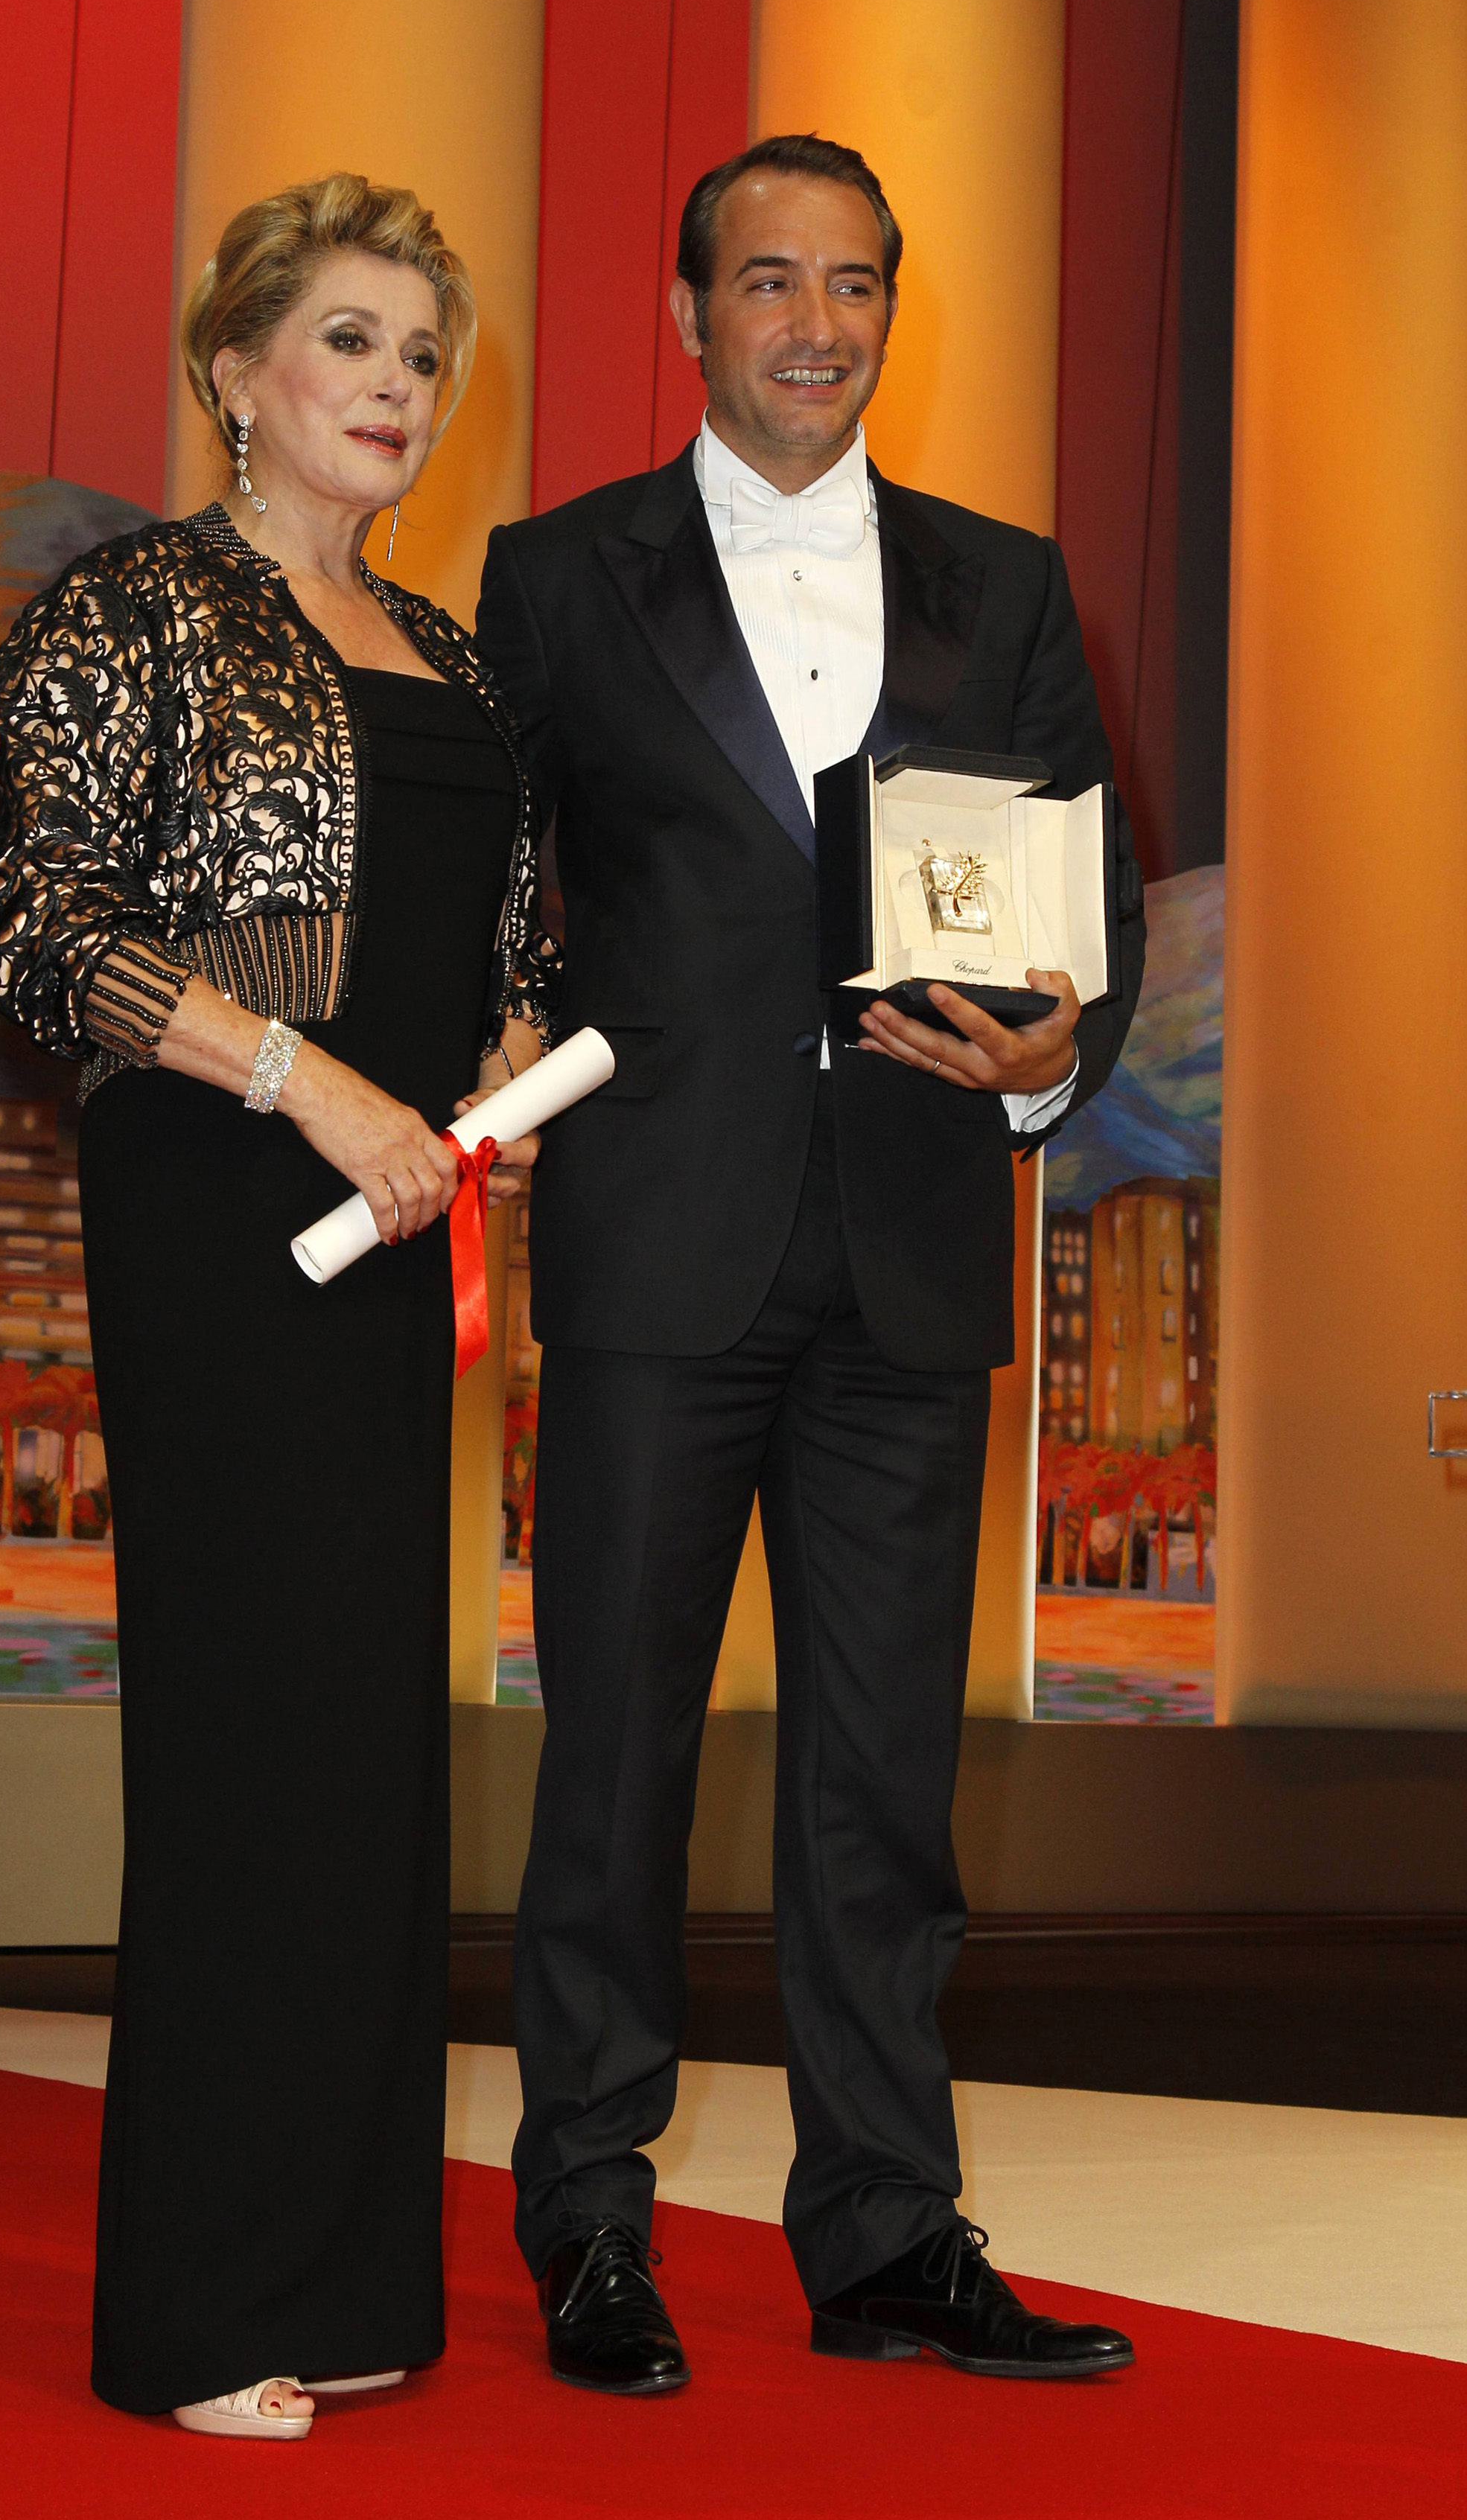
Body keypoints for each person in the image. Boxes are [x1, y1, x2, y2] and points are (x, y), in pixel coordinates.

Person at [475, 133, 1145, 2393]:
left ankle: (885, 2233)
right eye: (768, 280)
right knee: (615, 1769)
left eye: (853, 284)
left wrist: (1051, 1063)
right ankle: (589, 2218)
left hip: (912, 1250)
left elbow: (1089, 907)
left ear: (888, 312)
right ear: (691, 314)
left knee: (882, 1785)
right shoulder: (554, 576)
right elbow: (494, 893)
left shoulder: (1006, 585)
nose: (814, 323)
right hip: (656, 1239)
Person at [0, 173, 557, 2439]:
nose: (397, 385)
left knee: (363, 1747)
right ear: (235, 368)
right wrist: (309, 1084)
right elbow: (36, 922)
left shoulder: (457, 656)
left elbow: (506, 932)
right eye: (349, 341)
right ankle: (203, 2314)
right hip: (226, 1208)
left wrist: (503, 1057)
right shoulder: (129, 612)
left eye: (424, 353)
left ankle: (340, 2272)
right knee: (244, 1741)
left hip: (401, 1229)